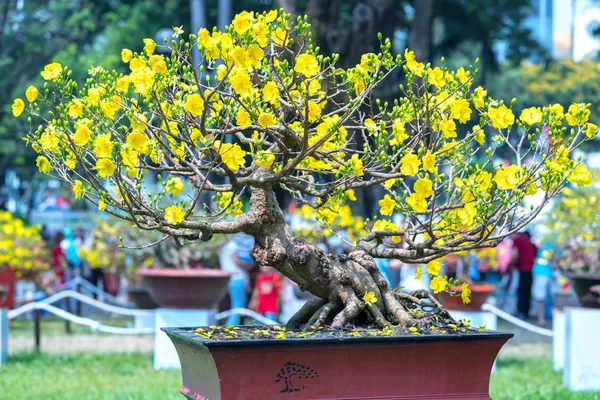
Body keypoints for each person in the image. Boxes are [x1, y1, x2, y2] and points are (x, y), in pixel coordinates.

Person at [219, 233, 255, 325]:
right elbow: (237, 261)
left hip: (232, 279)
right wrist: (249, 266)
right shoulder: (233, 245)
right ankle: (230, 327)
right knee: (238, 305)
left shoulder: (226, 247)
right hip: (237, 278)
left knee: (237, 304)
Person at [510, 231, 537, 319]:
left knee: (521, 291)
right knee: (527, 292)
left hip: (523, 268)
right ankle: (526, 312)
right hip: (530, 269)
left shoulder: (518, 239)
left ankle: (521, 311)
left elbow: (515, 254)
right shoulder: (528, 240)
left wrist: (510, 265)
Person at [532, 241, 555, 326]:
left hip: (541, 274)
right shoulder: (549, 247)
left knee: (541, 298)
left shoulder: (546, 246)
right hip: (543, 274)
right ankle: (541, 319)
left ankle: (541, 318)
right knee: (541, 297)